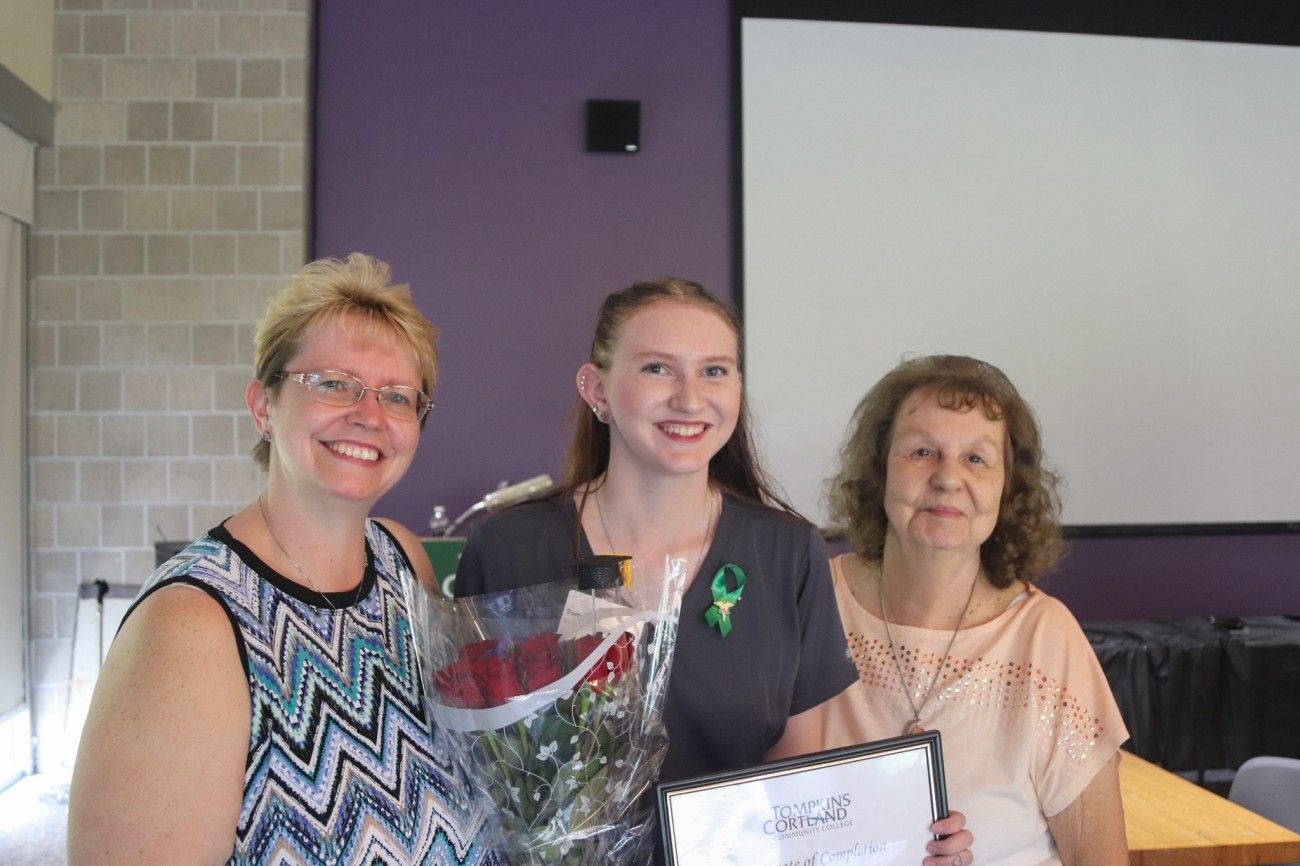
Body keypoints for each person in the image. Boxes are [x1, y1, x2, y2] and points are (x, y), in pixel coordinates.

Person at [454, 278, 972, 864]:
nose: (690, 399)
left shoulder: (788, 554)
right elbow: (473, 778)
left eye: (715, 371)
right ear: (596, 389)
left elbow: (798, 797)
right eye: (657, 369)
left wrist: (904, 838)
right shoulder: (508, 550)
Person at [68, 254, 497, 865]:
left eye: (397, 397)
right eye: (331, 383)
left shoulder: (403, 561)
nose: (369, 415)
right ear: (263, 406)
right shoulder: (190, 627)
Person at [821, 354, 1129, 865]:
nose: (947, 478)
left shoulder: (1044, 639)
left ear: (1006, 490)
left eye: (976, 459)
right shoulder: (811, 603)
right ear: (879, 472)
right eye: (922, 451)